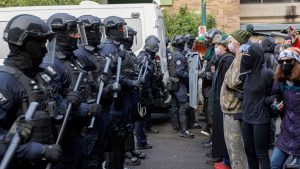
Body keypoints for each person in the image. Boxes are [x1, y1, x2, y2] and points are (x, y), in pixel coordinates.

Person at [0, 14, 62, 169]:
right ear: (25, 43)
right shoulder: (5, 82)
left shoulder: (38, 75)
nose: (44, 48)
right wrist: (38, 151)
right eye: (40, 42)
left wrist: (72, 104)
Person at [46, 13, 100, 169]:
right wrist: (85, 109)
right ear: (58, 33)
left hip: (81, 126)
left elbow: (93, 67)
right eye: (72, 31)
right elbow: (55, 106)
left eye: (78, 31)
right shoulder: (51, 63)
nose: (77, 36)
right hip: (66, 130)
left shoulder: (73, 57)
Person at [220, 26, 253, 169]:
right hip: (230, 108)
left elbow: (235, 81)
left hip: (234, 109)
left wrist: (227, 82)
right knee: (233, 149)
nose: (229, 44)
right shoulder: (237, 57)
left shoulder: (241, 58)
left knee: (236, 151)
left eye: (231, 41)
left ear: (238, 43)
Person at [240, 43, 275, 169]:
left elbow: (278, 94)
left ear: (257, 56)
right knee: (249, 152)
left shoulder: (267, 74)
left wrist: (266, 100)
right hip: (246, 118)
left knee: (261, 154)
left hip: (260, 119)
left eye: (248, 54)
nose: (245, 57)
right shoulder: (247, 73)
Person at [270, 47, 300, 169]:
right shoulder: (280, 82)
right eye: (281, 62)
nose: (285, 64)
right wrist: (276, 106)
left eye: (289, 61)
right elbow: (274, 100)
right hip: (286, 134)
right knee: (274, 165)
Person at [209, 35, 233, 169]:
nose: (216, 48)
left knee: (223, 130)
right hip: (220, 98)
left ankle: (224, 159)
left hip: (222, 99)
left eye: (218, 45)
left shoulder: (227, 60)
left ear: (224, 47)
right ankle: (221, 158)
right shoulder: (224, 59)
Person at [135, 35, 159, 148]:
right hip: (142, 90)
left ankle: (147, 128)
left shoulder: (148, 57)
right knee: (141, 114)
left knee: (148, 109)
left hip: (148, 88)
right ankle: (141, 139)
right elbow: (140, 76)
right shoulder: (143, 57)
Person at [200, 28, 222, 145]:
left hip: (211, 89)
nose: (206, 41)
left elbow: (215, 73)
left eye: (208, 39)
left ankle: (214, 142)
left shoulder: (216, 52)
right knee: (207, 113)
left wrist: (204, 74)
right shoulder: (209, 51)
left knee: (210, 115)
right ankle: (212, 139)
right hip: (207, 88)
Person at [170, 35, 194, 138]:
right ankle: (183, 130)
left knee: (175, 106)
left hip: (173, 84)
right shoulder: (179, 56)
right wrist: (191, 75)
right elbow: (180, 72)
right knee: (184, 106)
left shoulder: (173, 54)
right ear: (181, 44)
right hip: (179, 84)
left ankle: (176, 126)